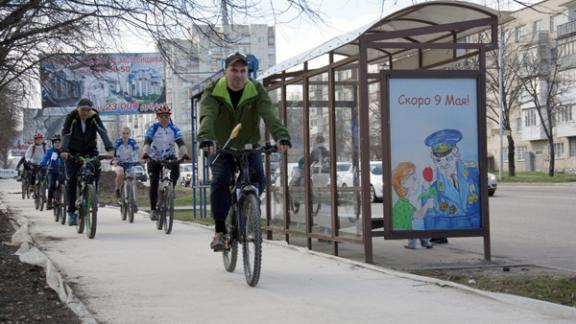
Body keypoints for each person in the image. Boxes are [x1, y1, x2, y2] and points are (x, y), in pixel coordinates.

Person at [198, 52, 291, 252]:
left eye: (243, 71)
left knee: (260, 179)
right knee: (220, 180)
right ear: (225, 72)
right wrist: (206, 137)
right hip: (221, 145)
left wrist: (281, 136)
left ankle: (247, 209)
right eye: (234, 70)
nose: (239, 75)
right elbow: (208, 114)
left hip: (249, 145)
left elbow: (269, 114)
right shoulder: (214, 90)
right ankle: (220, 231)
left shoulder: (256, 89)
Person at [60, 98, 114, 226]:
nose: (85, 112)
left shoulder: (94, 116)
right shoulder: (71, 117)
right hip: (72, 152)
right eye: (82, 110)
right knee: (72, 180)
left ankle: (92, 193)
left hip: (90, 150)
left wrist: (110, 149)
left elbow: (102, 132)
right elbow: (66, 134)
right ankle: (71, 212)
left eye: (87, 110)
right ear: (77, 109)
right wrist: (64, 151)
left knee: (96, 169)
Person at [423, 129, 480, 239]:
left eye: (448, 159)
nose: (444, 164)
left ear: (456, 154)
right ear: (433, 160)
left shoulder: (472, 174)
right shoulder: (432, 188)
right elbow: (429, 219)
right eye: (438, 160)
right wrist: (428, 237)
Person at [141, 104, 189, 220]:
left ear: (169, 117)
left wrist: (185, 154)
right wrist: (144, 154)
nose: (164, 119)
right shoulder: (153, 128)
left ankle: (170, 189)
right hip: (154, 157)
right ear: (157, 117)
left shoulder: (174, 128)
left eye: (166, 116)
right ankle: (153, 209)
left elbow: (181, 143)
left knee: (176, 169)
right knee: (154, 183)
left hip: (169, 156)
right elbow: (147, 143)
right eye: (161, 116)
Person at [391, 162, 434, 249]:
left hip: (408, 227)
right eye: (414, 178)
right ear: (403, 183)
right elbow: (419, 215)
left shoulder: (404, 202)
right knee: (415, 226)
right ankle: (420, 242)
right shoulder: (403, 205)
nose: (417, 180)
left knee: (415, 226)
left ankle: (421, 242)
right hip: (406, 228)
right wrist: (427, 205)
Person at [112, 126, 140, 199]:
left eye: (127, 133)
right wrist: (114, 160)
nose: (125, 135)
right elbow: (113, 152)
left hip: (129, 163)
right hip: (119, 163)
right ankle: (117, 189)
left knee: (133, 175)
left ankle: (133, 197)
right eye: (123, 133)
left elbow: (136, 152)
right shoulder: (117, 142)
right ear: (121, 134)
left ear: (129, 134)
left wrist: (139, 159)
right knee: (120, 173)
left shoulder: (133, 142)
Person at [40, 134, 65, 210]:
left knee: (66, 185)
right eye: (55, 142)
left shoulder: (64, 151)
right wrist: (43, 164)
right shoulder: (50, 151)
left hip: (62, 171)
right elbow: (45, 159)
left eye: (59, 142)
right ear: (53, 143)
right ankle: (49, 201)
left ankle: (65, 200)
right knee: (51, 185)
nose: (57, 144)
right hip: (52, 171)